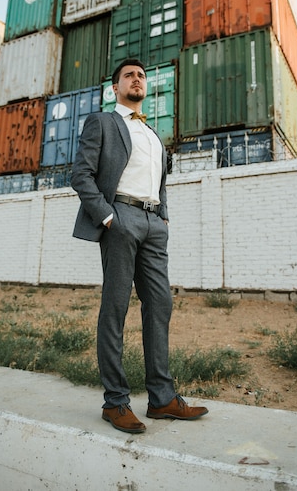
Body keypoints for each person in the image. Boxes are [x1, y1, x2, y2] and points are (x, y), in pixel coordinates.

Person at [70, 57, 208, 433]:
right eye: (129, 76)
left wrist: (163, 213)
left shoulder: (153, 133)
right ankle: (115, 402)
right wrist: (107, 216)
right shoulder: (102, 121)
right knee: (115, 308)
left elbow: (159, 178)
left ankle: (162, 399)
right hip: (121, 217)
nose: (137, 79)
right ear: (115, 88)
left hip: (153, 223)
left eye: (142, 76)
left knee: (160, 304)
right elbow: (80, 174)